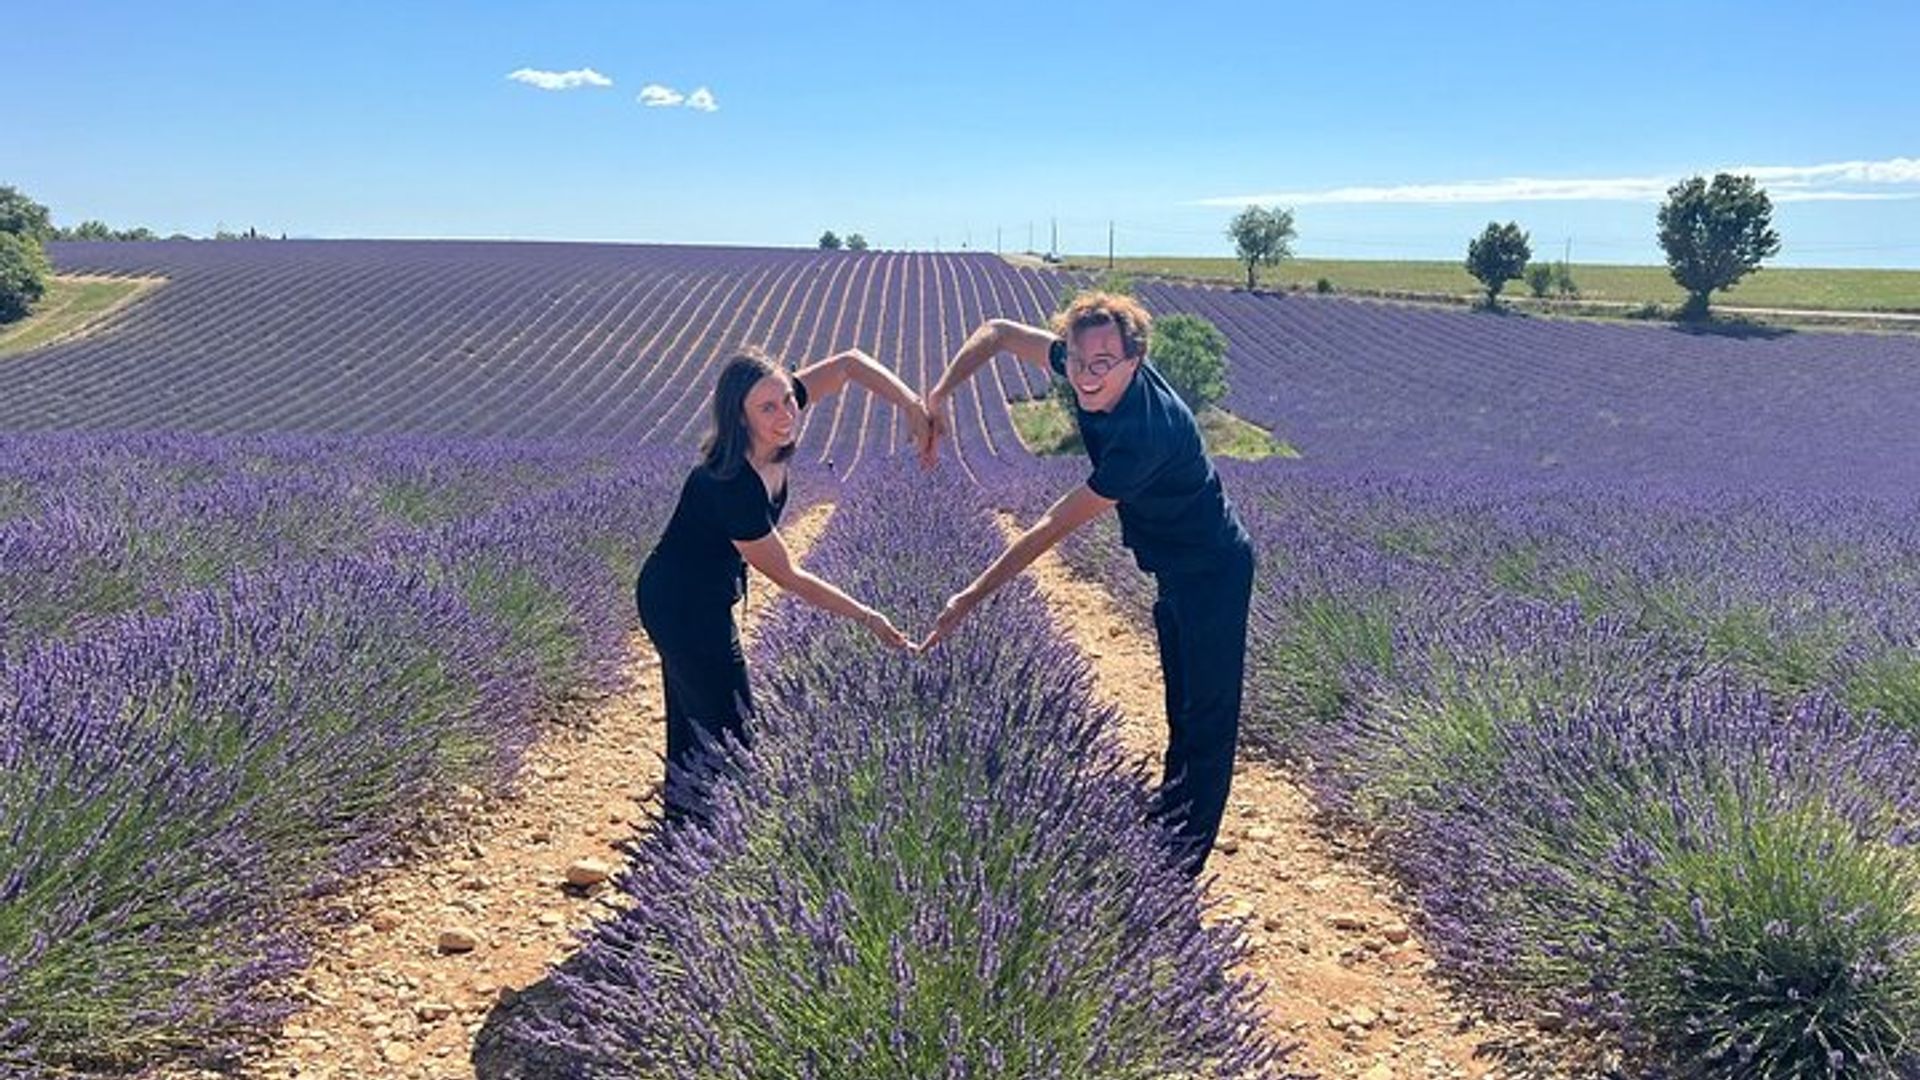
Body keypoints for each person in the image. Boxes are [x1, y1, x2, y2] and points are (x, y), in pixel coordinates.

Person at [916, 292, 1255, 875]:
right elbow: (997, 332)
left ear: (1135, 360)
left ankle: (1180, 864)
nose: (1085, 375)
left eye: (1103, 363)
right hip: (1173, 568)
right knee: (1182, 701)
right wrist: (940, 393)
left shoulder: (1146, 435)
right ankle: (1169, 816)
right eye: (1075, 359)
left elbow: (1052, 525)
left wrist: (971, 596)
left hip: (1213, 570)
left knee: (1208, 716)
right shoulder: (1083, 366)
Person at [638, 346, 925, 823]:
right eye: (768, 408)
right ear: (740, 417)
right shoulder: (731, 484)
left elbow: (849, 364)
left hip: (700, 595)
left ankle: (686, 824)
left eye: (789, 399)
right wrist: (867, 616)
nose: (786, 413)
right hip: (680, 605)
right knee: (731, 724)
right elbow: (789, 576)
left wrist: (911, 404)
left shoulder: (778, 413)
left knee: (697, 716)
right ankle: (715, 828)